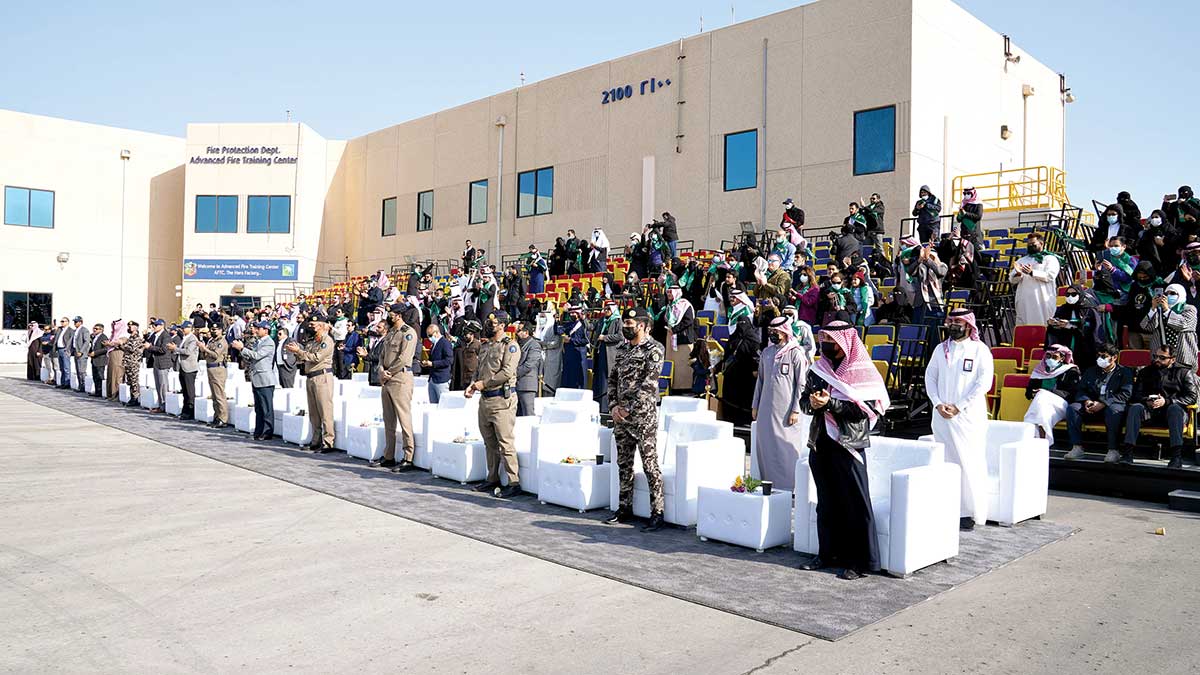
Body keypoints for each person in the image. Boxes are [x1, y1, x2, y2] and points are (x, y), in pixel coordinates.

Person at [798, 322, 889, 580]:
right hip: (822, 441)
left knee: (855, 503)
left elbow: (866, 411)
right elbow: (805, 401)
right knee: (826, 502)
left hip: (849, 444)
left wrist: (832, 404)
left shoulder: (863, 372)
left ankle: (860, 561)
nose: (826, 343)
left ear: (845, 341)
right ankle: (827, 554)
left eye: (831, 339)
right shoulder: (818, 370)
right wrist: (814, 404)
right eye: (823, 338)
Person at [925, 310, 994, 530]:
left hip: (967, 416)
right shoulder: (940, 349)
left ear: (968, 325)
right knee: (946, 461)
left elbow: (984, 383)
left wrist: (959, 406)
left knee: (968, 461)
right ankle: (949, 507)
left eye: (958, 322)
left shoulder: (980, 350)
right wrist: (937, 402)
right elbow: (930, 378)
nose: (953, 325)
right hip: (942, 415)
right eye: (951, 321)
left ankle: (970, 511)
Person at [605, 307, 667, 532]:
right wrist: (613, 406)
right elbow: (612, 380)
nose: (625, 328)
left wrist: (628, 409)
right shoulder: (622, 349)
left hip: (643, 418)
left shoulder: (654, 349)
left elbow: (649, 384)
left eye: (629, 326)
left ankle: (657, 512)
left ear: (641, 325)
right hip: (621, 417)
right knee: (624, 464)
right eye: (624, 325)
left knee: (650, 465)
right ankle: (624, 508)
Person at [467, 310, 522, 496]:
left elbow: (506, 372)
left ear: (502, 325)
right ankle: (492, 478)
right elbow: (479, 370)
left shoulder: (510, 346)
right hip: (485, 399)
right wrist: (473, 385)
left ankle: (514, 482)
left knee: (505, 442)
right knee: (489, 442)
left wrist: (483, 384)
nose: (489, 325)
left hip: (502, 399)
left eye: (493, 323)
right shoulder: (485, 345)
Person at [752, 316, 809, 491]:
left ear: (784, 332)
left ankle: (789, 487)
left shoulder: (796, 353)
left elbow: (801, 384)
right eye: (771, 332)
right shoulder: (767, 353)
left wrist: (796, 410)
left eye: (776, 332)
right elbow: (760, 381)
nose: (773, 335)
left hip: (786, 411)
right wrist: (755, 405)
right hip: (765, 408)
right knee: (765, 446)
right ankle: (769, 485)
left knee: (784, 448)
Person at [1121, 344, 1198, 467]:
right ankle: (1127, 453)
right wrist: (1147, 400)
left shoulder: (1183, 372)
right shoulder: (1145, 372)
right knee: (1135, 408)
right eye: (1156, 356)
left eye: (1162, 358)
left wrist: (1167, 401)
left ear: (1172, 359)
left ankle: (1176, 457)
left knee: (1174, 409)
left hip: (1172, 411)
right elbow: (1136, 395)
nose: (1157, 360)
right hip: (1150, 410)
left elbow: (1192, 397)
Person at [1063, 343, 1132, 461]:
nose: (1100, 359)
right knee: (1073, 408)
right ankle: (1077, 447)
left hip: (1112, 405)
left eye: (1104, 356)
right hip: (1092, 404)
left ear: (1114, 357)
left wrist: (1104, 403)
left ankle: (1113, 450)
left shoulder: (1125, 372)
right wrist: (1086, 401)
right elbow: (1081, 389)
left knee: (1114, 410)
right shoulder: (1091, 371)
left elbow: (1125, 394)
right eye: (1099, 356)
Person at [371, 305, 418, 470]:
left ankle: (408, 457)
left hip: (400, 379)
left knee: (404, 419)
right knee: (388, 420)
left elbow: (404, 358)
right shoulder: (390, 332)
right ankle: (389, 455)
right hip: (387, 379)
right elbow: (382, 356)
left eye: (390, 313)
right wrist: (382, 370)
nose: (388, 316)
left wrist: (388, 372)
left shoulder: (408, 332)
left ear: (398, 315)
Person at [288, 318, 337, 453]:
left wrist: (299, 351)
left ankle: (328, 441)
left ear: (322, 326)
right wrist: (297, 353)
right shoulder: (312, 341)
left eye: (314, 325)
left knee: (325, 411)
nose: (311, 327)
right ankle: (316, 440)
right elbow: (305, 358)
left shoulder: (326, 341)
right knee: (314, 412)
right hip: (311, 377)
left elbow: (316, 357)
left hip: (322, 377)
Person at [717, 292, 760, 425]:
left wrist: (754, 368)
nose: (741, 326)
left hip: (746, 374)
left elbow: (755, 355)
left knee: (746, 397)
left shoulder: (753, 339)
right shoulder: (734, 338)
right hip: (733, 372)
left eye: (743, 323)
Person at [1022, 345, 1081, 439]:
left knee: (1042, 396)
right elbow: (1028, 392)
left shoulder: (1071, 371)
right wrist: (1033, 393)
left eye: (1054, 357)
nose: (1050, 359)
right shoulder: (1039, 370)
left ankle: (1032, 435)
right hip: (1041, 404)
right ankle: (1043, 438)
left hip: (1061, 404)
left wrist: (1047, 392)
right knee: (1043, 411)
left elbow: (1071, 394)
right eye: (1048, 356)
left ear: (1062, 358)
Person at [232, 322, 277, 440]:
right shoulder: (259, 342)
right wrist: (241, 351)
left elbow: (257, 356)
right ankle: (259, 431)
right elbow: (251, 357)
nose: (256, 330)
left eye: (259, 328)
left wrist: (242, 348)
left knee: (266, 408)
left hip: (265, 379)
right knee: (259, 407)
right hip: (256, 377)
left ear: (266, 330)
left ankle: (267, 431)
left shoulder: (269, 343)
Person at [1140, 283, 1198, 370]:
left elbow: (1183, 325)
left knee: (1183, 380)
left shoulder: (1189, 309)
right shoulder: (1159, 311)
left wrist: (1167, 310)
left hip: (1183, 355)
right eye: (1166, 293)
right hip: (1162, 357)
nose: (1169, 296)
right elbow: (1146, 327)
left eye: (1173, 293)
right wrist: (1153, 309)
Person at [1046, 284, 1102, 371]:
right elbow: (1055, 330)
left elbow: (1092, 327)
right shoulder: (1062, 309)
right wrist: (1053, 324)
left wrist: (1071, 325)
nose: (1070, 297)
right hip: (1066, 343)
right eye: (1068, 294)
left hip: (1084, 347)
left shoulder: (1089, 309)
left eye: (1073, 294)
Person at [1009, 233, 1060, 327]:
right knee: (1025, 327)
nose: (1030, 246)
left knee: (1044, 325)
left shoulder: (1050, 259)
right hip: (1025, 301)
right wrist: (1018, 273)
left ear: (1041, 244)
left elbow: (1050, 276)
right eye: (1029, 244)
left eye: (1033, 244)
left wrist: (1032, 272)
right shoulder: (1022, 260)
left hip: (1042, 300)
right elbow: (1012, 279)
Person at [1117, 261, 1166, 349]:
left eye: (1145, 277)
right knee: (1137, 358)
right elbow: (1130, 305)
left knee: (1154, 358)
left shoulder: (1159, 285)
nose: (1142, 279)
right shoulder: (1135, 286)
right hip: (1135, 329)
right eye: (1140, 277)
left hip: (1153, 330)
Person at [662, 286, 696, 391]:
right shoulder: (670, 306)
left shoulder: (685, 305)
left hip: (683, 338)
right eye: (668, 292)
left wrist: (675, 329)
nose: (669, 295)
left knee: (683, 363)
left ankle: (685, 387)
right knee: (673, 362)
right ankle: (673, 386)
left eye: (671, 292)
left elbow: (689, 320)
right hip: (671, 336)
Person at [591, 300, 623, 412]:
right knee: (599, 379)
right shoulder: (602, 320)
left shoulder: (618, 320)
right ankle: (599, 405)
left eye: (608, 309)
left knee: (608, 379)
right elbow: (592, 328)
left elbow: (620, 336)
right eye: (605, 309)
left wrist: (605, 338)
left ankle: (607, 407)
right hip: (600, 352)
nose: (606, 311)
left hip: (611, 353)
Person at [197, 325, 230, 428]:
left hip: (218, 369)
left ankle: (223, 419)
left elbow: (216, 355)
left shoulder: (222, 342)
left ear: (220, 330)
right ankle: (217, 416)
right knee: (214, 395)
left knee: (219, 394)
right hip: (211, 368)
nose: (213, 331)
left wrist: (205, 349)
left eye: (215, 329)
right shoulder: (212, 341)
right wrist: (203, 350)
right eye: (212, 329)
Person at [905, 245, 946, 328]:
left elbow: (940, 272)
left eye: (931, 256)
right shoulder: (921, 266)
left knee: (933, 333)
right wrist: (919, 260)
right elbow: (910, 271)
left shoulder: (942, 266)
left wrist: (928, 260)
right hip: (920, 304)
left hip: (934, 304)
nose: (929, 258)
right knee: (917, 331)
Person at [167, 321, 199, 420]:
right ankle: (185, 410)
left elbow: (188, 352)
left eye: (184, 328)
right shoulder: (184, 338)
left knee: (189, 391)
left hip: (189, 368)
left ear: (190, 328)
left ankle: (190, 411)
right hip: (182, 366)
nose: (182, 329)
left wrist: (175, 348)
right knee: (184, 390)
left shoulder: (192, 338)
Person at [515, 321, 544, 416]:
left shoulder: (534, 345)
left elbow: (529, 365)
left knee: (528, 414)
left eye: (519, 330)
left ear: (526, 332)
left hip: (527, 385)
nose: (516, 332)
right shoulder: (518, 344)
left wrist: (514, 373)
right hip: (516, 385)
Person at [144, 319, 172, 412]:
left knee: (163, 385)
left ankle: (165, 405)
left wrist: (150, 347)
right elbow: (148, 343)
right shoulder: (155, 335)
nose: (154, 327)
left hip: (163, 363)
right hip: (156, 362)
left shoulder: (166, 336)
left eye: (156, 325)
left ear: (162, 325)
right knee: (158, 385)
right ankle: (161, 405)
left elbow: (163, 350)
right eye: (153, 325)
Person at [560, 303, 589, 390]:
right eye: (571, 313)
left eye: (574, 313)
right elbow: (558, 330)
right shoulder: (568, 324)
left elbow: (586, 340)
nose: (572, 315)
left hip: (579, 354)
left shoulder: (583, 325)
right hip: (569, 355)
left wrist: (571, 340)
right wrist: (560, 316)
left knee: (580, 378)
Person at [534, 303, 561, 396]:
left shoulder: (554, 327)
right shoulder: (540, 327)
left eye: (544, 316)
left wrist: (543, 344)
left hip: (552, 357)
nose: (542, 319)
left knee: (550, 381)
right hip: (541, 356)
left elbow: (556, 343)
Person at [422, 323, 453, 404]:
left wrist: (433, 364)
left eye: (430, 335)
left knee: (443, 405)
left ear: (436, 333)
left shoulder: (445, 343)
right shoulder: (434, 344)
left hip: (441, 379)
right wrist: (426, 363)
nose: (429, 338)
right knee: (433, 405)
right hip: (432, 378)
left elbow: (449, 360)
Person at [117, 321, 144, 406]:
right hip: (128, 362)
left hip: (133, 362)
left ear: (136, 327)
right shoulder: (130, 337)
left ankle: (135, 398)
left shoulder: (137, 337)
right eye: (128, 326)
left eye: (131, 326)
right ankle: (132, 397)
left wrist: (122, 344)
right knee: (129, 381)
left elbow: (132, 348)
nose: (129, 328)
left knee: (134, 381)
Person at [452, 323, 481, 391]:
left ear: (472, 334)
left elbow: (481, 358)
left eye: (466, 334)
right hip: (463, 375)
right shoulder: (463, 344)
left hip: (472, 375)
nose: (465, 336)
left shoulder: (477, 344)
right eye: (464, 334)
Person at [358, 321, 388, 386]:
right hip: (373, 376)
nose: (376, 329)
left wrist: (366, 355)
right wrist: (364, 355)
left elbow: (381, 357)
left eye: (379, 327)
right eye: (377, 327)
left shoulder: (387, 342)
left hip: (379, 376)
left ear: (385, 330)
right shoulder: (376, 341)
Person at [85, 323, 108, 397]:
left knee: (100, 376)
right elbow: (92, 346)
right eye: (94, 328)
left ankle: (101, 391)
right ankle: (97, 391)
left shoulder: (103, 337)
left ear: (101, 330)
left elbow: (105, 349)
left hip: (100, 359)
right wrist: (89, 352)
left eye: (96, 329)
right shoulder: (94, 337)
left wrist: (95, 353)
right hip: (94, 359)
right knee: (95, 376)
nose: (94, 330)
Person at [51, 317, 73, 389]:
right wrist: (54, 328)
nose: (62, 323)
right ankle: (62, 382)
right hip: (59, 349)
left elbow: (71, 341)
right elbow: (53, 334)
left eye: (63, 321)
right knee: (61, 367)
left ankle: (67, 383)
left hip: (65, 349)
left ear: (67, 322)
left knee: (66, 367)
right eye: (61, 321)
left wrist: (69, 350)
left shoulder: (70, 330)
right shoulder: (59, 329)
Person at [70, 316, 89, 392]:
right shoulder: (75, 331)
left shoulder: (84, 330)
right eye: (74, 321)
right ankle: (80, 386)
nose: (75, 323)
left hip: (81, 353)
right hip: (75, 351)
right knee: (78, 370)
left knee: (82, 370)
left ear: (81, 322)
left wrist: (81, 351)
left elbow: (86, 342)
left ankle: (83, 385)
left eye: (76, 321)